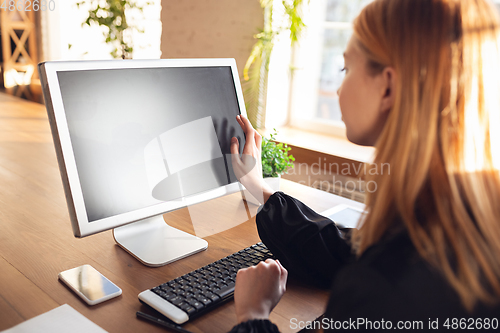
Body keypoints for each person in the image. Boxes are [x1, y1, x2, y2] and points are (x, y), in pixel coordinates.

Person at [227, 0, 500, 331]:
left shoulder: (382, 292)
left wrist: (253, 317)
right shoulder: (458, 221)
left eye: (346, 69)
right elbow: (348, 250)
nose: (339, 87)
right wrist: (260, 188)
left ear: (388, 86)